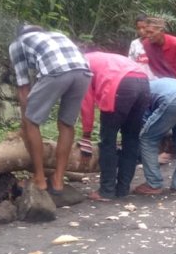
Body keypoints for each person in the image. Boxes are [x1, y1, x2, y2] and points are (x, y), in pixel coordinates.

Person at [9, 25, 91, 205]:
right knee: (66, 124)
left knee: (31, 121)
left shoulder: (17, 44)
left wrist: (26, 119)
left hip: (56, 71)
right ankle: (58, 181)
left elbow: (23, 87)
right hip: (83, 71)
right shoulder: (55, 35)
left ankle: (39, 178)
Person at [80, 52, 151, 201]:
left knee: (108, 140)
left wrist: (86, 134)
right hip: (144, 82)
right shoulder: (101, 57)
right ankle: (123, 189)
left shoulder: (81, 64)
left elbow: (86, 103)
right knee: (131, 139)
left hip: (120, 84)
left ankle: (106, 191)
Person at [133, 78, 176, 195]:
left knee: (147, 138)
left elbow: (145, 120)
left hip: (174, 99)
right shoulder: (154, 84)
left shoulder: (140, 92)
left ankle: (154, 184)